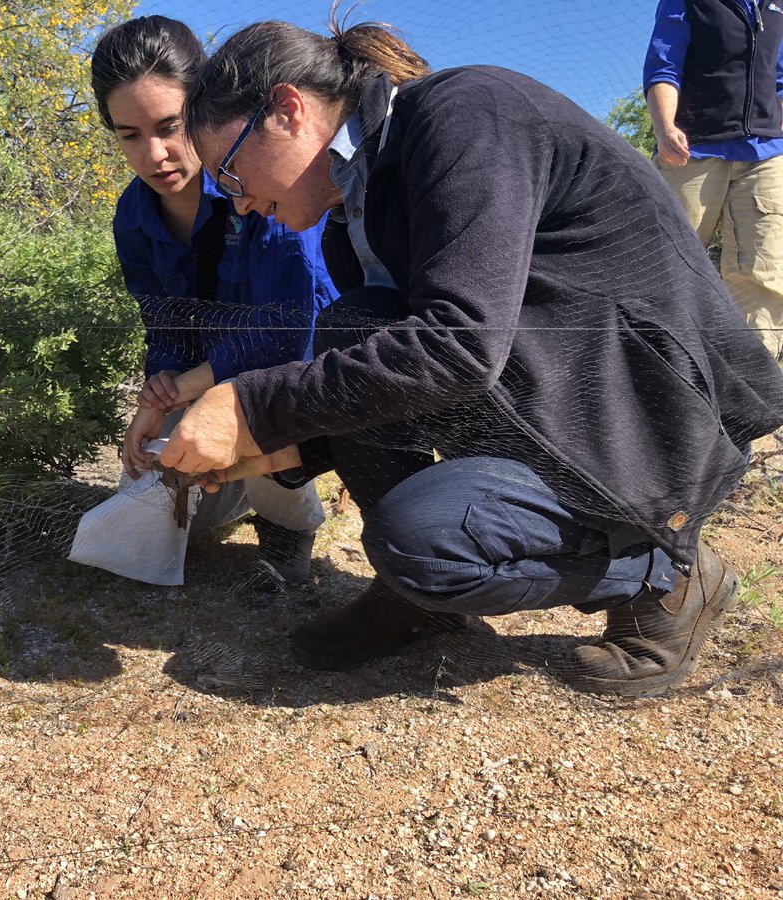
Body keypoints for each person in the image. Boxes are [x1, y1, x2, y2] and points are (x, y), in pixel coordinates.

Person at [159, 19, 783, 696]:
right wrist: (279, 451)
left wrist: (248, 403)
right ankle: (420, 598)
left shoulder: (465, 116)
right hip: (558, 395)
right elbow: (391, 367)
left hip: (650, 415)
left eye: (231, 173)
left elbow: (459, 343)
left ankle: (666, 578)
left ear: (287, 110)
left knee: (419, 540)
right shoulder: (357, 204)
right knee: (353, 324)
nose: (242, 204)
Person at [89, 16, 340, 592]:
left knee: (259, 409)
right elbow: (163, 320)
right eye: (130, 134)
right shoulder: (133, 214)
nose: (156, 155)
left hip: (294, 366)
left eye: (170, 126)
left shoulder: (264, 184)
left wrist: (187, 390)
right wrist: (157, 392)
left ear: (199, 107)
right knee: (157, 483)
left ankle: (290, 525)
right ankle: (231, 494)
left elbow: (287, 332)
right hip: (202, 373)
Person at [645, 0, 783, 360]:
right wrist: (664, 129)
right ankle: (655, 382)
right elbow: (664, 64)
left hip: (766, 154)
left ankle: (755, 401)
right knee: (665, 266)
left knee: (763, 274)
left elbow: (780, 77)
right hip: (692, 149)